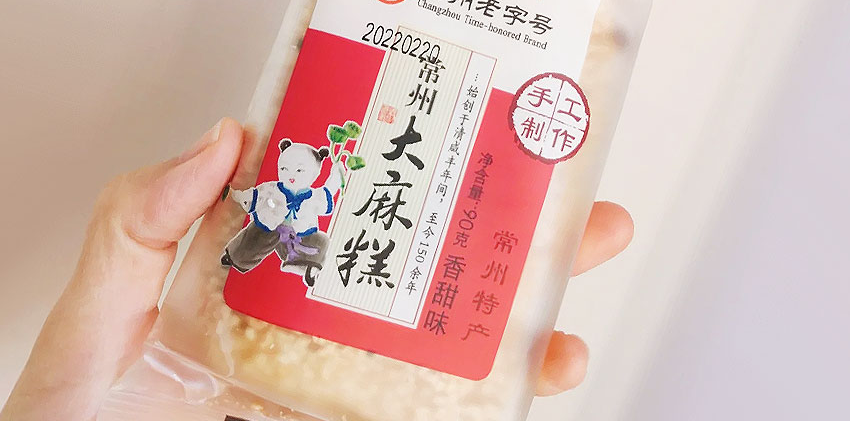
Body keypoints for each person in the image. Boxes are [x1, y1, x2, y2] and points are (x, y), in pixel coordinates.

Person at [0, 118, 634, 421]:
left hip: (297, 247)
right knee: (254, 250)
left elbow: (328, 191)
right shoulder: (280, 187)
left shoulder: (318, 190)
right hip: (254, 264)